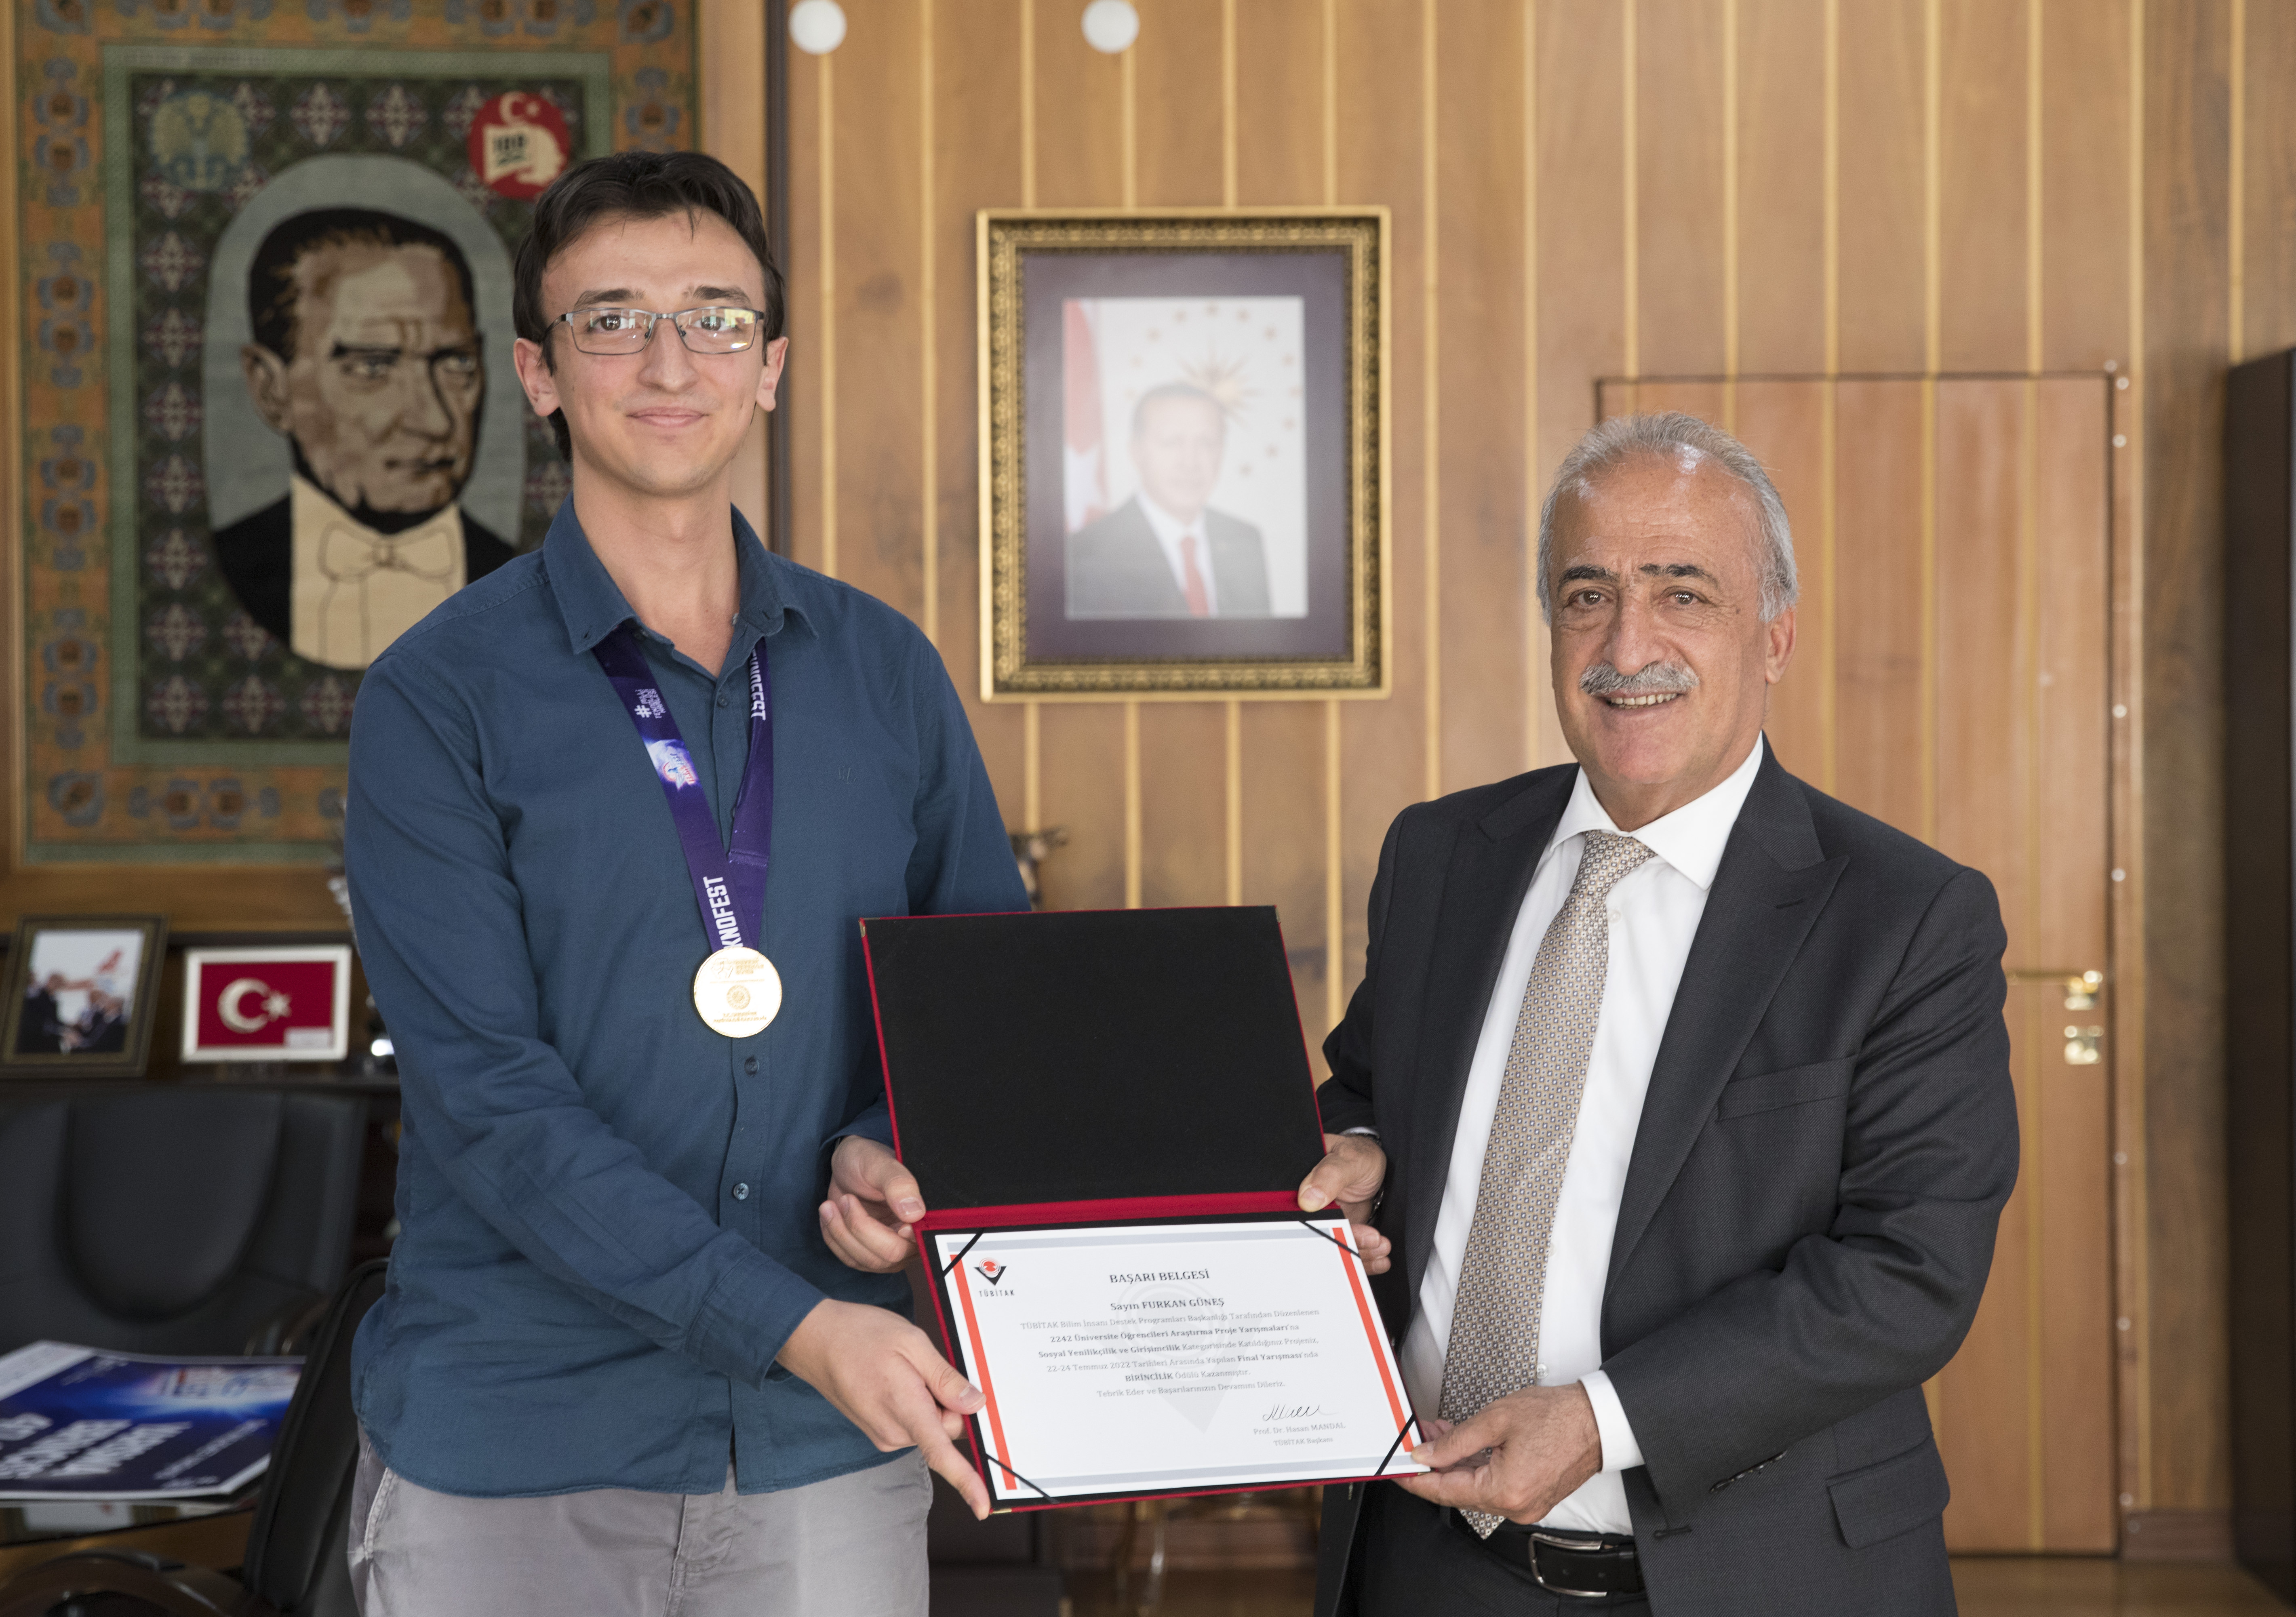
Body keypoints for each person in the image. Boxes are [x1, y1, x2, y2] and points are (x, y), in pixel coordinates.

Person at [343, 150, 1027, 1617]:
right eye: (613, 320)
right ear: (538, 371)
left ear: (769, 364)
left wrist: (882, 1145)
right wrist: (793, 1323)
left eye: (715, 317)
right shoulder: (435, 699)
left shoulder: (885, 671)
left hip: (820, 1445)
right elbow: (491, 1103)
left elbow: (979, 1000)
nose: (670, 362)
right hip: (520, 1440)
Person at [1297, 411, 2018, 1615]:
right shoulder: (1439, 854)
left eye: (1683, 593)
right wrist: (1361, 1148)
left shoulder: (1904, 916)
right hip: (1427, 1558)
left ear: (1774, 634)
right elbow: (1369, 1089)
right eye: (1587, 596)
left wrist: (1601, 1418)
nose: (1627, 645)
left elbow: (1910, 1269)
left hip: (1759, 1573)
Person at [215, 207, 516, 670]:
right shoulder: (219, 574)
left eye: (457, 365)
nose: (435, 421)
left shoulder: (530, 578)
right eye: (373, 367)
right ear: (271, 389)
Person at [1065, 381, 1272, 618]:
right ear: (1136, 452)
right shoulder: (1085, 555)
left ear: (1222, 451)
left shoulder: (1245, 541)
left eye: (1206, 442)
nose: (1190, 462)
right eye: (1172, 441)